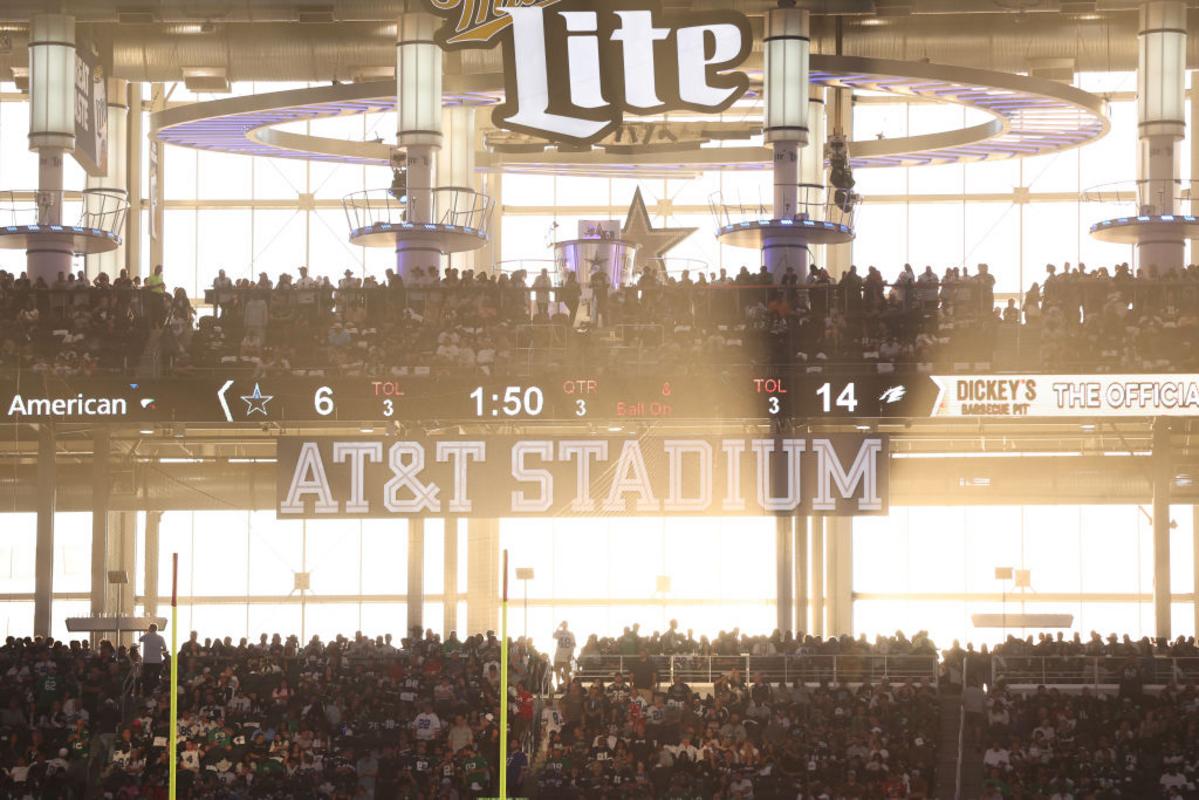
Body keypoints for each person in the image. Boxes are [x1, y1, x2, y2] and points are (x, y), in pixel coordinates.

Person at [138, 624, 167, 696]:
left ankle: (146, 694)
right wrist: (158, 649)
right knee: (156, 678)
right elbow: (164, 648)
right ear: (156, 629)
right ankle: (155, 694)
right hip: (157, 661)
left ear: (150, 628)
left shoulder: (146, 636)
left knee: (146, 678)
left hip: (147, 661)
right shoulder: (160, 638)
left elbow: (140, 639)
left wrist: (147, 633)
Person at [552, 621, 575, 686]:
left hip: (566, 656)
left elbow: (573, 644)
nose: (564, 625)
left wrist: (571, 654)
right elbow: (553, 636)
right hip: (559, 655)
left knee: (566, 673)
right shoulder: (560, 633)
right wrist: (558, 626)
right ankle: (558, 685)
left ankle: (565, 686)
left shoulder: (571, 633)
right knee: (557, 672)